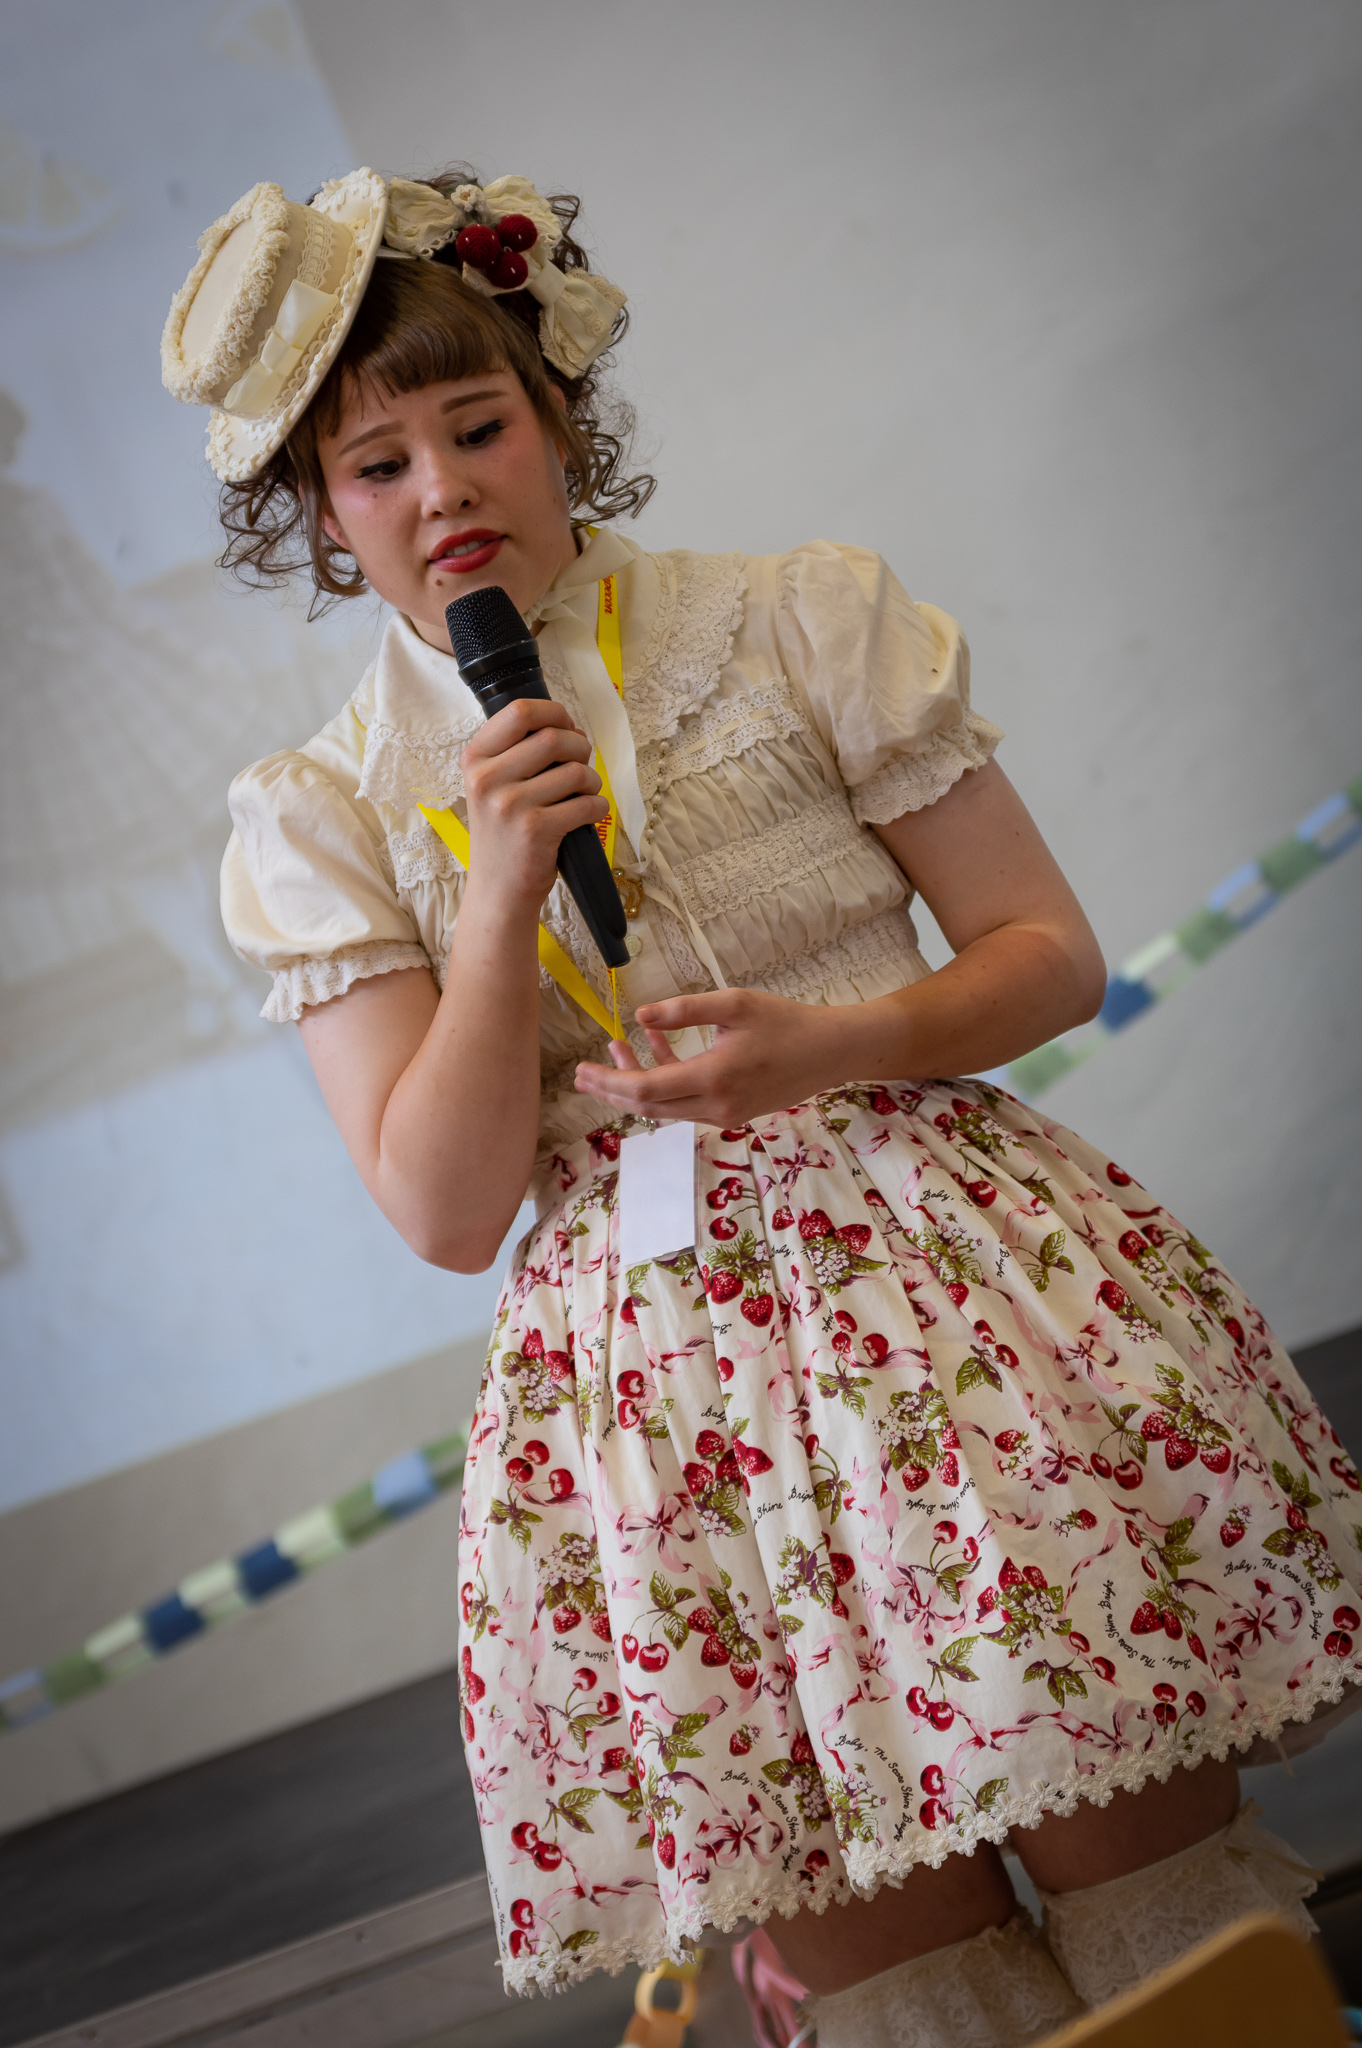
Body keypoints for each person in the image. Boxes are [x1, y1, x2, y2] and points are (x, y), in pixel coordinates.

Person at [163, 166, 1361, 2046]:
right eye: (377, 465)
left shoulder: (795, 619)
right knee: (911, 1986)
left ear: (560, 417)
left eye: (477, 427)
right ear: (323, 516)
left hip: (952, 1314)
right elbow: (447, 1211)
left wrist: (829, 1048)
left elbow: (1046, 955)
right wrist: (496, 890)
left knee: (1154, 1898)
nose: (442, 490)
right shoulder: (319, 810)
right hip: (662, 1419)